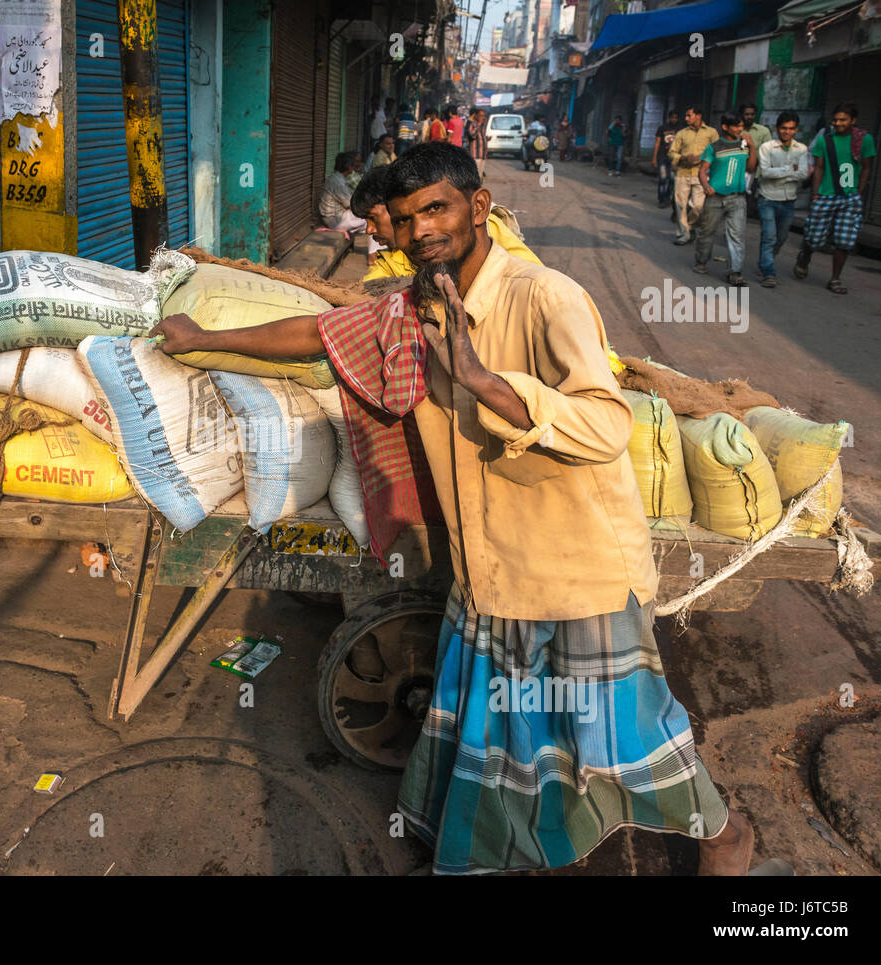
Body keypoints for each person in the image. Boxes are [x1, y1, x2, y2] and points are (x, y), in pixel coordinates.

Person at [149, 143, 754, 876]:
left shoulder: (543, 296)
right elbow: (315, 334)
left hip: (575, 573)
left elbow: (606, 425)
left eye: (436, 208)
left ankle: (725, 840)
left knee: (621, 735)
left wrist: (485, 381)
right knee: (494, 737)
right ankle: (485, 857)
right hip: (488, 573)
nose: (420, 230)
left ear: (478, 207)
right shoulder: (414, 310)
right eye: (404, 219)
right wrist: (202, 339)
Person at [351, 163, 541, 282]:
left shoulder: (482, 228)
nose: (369, 229)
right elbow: (369, 293)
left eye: (373, 218)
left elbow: (535, 278)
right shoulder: (390, 262)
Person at [795, 102, 876, 295]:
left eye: (843, 120)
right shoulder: (825, 141)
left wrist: (858, 192)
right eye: (836, 119)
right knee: (814, 238)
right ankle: (805, 255)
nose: (838, 123)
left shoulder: (863, 141)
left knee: (844, 241)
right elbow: (819, 169)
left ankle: (835, 278)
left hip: (849, 198)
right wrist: (816, 194)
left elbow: (866, 168)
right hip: (825, 195)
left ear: (853, 121)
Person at [694, 112, 756, 287]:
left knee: (737, 235)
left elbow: (751, 168)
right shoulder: (714, 147)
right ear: (725, 127)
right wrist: (706, 187)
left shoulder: (744, 145)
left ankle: (735, 272)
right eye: (736, 126)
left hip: (737, 198)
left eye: (741, 126)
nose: (739, 129)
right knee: (707, 232)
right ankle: (701, 261)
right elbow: (702, 170)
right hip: (715, 198)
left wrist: (752, 147)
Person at [755, 111, 812, 288]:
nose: (787, 132)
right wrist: (789, 170)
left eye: (791, 128)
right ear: (777, 128)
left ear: (796, 129)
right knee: (769, 236)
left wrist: (779, 171)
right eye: (783, 128)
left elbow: (803, 174)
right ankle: (768, 271)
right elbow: (765, 172)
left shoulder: (801, 149)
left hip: (789, 200)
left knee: (781, 237)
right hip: (768, 198)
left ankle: (766, 260)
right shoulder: (767, 148)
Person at [670, 106, 719, 244]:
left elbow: (717, 151)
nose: (686, 118)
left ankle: (689, 227)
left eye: (688, 115)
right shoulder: (681, 133)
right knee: (680, 205)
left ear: (698, 116)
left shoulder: (711, 132)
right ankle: (683, 235)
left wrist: (704, 159)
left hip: (701, 174)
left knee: (698, 206)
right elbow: (672, 152)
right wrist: (684, 158)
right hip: (682, 173)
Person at [319, 151, 368, 233]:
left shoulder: (336, 178)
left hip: (337, 215)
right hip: (335, 219)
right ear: (348, 166)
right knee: (367, 219)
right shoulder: (338, 182)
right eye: (353, 165)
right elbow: (350, 204)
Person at [652, 109, 682, 210]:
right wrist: (654, 158)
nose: (674, 119)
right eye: (672, 117)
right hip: (662, 157)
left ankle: (667, 197)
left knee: (673, 180)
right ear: (669, 118)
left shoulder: (681, 129)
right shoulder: (662, 128)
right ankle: (661, 200)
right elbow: (657, 143)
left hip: (674, 159)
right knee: (663, 179)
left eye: (676, 118)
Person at [467, 108, 488, 178]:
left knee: (480, 175)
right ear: (476, 116)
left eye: (483, 116)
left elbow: (481, 137)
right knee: (476, 175)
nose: (482, 117)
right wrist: (479, 125)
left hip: (482, 154)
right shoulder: (473, 124)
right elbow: (472, 135)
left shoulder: (483, 126)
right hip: (475, 154)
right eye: (480, 115)